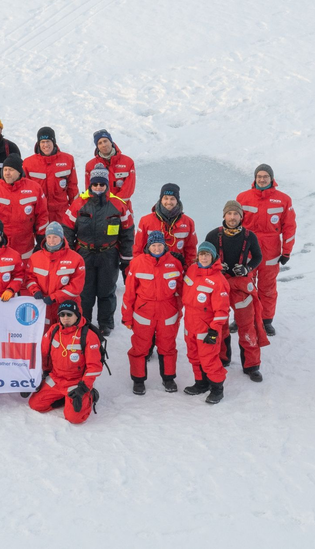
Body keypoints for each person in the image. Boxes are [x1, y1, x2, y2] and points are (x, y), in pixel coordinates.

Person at [63, 165, 134, 336]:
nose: (98, 188)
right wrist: (70, 254)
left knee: (106, 291)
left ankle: (105, 323)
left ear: (107, 185)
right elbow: (67, 229)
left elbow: (128, 232)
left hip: (108, 255)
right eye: (95, 185)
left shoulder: (118, 205)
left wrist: (126, 258)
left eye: (101, 185)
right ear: (90, 185)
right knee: (85, 291)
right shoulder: (79, 203)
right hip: (84, 254)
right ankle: (84, 321)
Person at [205, 201, 267, 381]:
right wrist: (216, 265)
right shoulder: (212, 235)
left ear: (241, 217)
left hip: (241, 286)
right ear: (224, 216)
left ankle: (252, 365)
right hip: (220, 285)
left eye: (236, 214)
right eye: (229, 214)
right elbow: (203, 257)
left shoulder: (250, 236)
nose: (232, 218)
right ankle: (223, 358)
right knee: (220, 324)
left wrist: (247, 269)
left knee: (247, 325)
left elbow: (258, 257)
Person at [236, 164, 297, 336]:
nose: (262, 179)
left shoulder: (284, 200)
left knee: (267, 287)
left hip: (270, 250)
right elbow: (234, 224)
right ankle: (241, 318)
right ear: (255, 178)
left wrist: (286, 251)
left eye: (265, 176)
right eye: (259, 176)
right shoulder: (243, 197)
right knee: (244, 284)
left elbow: (289, 227)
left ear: (272, 178)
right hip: (246, 247)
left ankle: (266, 320)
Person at [122, 231, 184, 394]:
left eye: (160, 245)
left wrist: (178, 311)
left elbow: (181, 290)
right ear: (148, 246)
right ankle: (138, 380)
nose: (157, 248)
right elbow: (129, 293)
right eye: (154, 245)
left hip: (167, 312)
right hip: (144, 312)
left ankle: (169, 378)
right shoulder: (137, 263)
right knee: (140, 347)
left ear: (165, 245)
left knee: (168, 346)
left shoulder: (175, 263)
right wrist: (127, 317)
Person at [28, 300, 103, 424]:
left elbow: (94, 367)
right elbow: (41, 354)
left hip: (76, 383)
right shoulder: (53, 330)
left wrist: (83, 387)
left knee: (74, 418)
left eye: (69, 314)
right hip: (55, 379)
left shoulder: (88, 336)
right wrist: (29, 378)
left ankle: (90, 396)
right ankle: (65, 399)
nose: (65, 318)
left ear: (77, 315)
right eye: (62, 315)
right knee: (35, 405)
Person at [182, 242, 230, 404]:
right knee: (193, 356)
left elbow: (222, 310)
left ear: (214, 257)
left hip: (206, 328)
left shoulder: (218, 280)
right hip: (190, 324)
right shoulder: (192, 270)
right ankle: (201, 383)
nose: (204, 257)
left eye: (207, 255)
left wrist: (214, 330)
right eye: (201, 254)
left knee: (209, 359)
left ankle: (217, 388)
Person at [0, 154, 48, 260]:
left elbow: (42, 215)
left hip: (25, 244)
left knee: (24, 274)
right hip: (1, 243)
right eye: (5, 169)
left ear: (19, 171)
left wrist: (41, 237)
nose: (7, 173)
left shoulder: (35, 188)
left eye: (11, 170)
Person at [24, 222, 86, 330]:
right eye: (49, 237)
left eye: (55, 237)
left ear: (61, 238)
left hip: (66, 308)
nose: (51, 241)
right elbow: (29, 278)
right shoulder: (35, 258)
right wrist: (35, 290)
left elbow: (76, 287)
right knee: (44, 337)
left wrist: (54, 297)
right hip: (43, 307)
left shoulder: (76, 259)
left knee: (67, 338)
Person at [133, 183, 197, 268]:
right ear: (161, 199)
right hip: (152, 268)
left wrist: (188, 270)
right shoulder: (146, 221)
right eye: (165, 198)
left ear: (177, 200)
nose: (169, 202)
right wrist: (139, 268)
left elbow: (191, 250)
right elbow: (138, 249)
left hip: (177, 270)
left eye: (172, 199)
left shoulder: (188, 222)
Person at [23, 126, 79, 224]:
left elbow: (72, 187)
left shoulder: (68, 160)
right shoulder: (28, 163)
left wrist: (76, 210)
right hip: (39, 213)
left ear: (54, 142)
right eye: (42, 142)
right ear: (38, 144)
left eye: (48, 141)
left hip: (61, 212)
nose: (46, 145)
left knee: (63, 239)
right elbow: (25, 191)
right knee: (43, 239)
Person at [84, 129, 136, 199]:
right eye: (100, 143)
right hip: (100, 207)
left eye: (105, 141)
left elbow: (128, 189)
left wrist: (114, 204)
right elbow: (90, 189)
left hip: (122, 206)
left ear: (111, 142)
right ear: (97, 147)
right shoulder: (90, 165)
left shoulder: (128, 162)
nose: (104, 145)